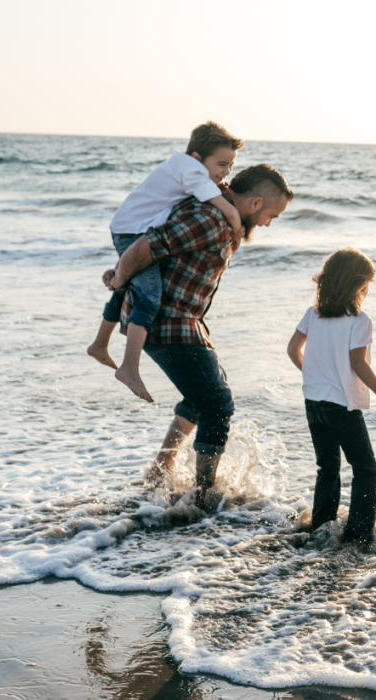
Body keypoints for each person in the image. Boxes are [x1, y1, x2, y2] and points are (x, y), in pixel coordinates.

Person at [105, 164, 293, 501]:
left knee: (201, 395)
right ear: (255, 203)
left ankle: (160, 468)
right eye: (271, 215)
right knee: (217, 404)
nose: (267, 223)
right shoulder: (210, 219)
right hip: (168, 323)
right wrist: (119, 277)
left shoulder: (221, 217)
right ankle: (204, 493)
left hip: (184, 322)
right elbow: (145, 246)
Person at [88, 121, 247, 403]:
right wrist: (236, 227)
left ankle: (100, 344)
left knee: (127, 288)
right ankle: (129, 368)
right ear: (197, 157)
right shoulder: (192, 170)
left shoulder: (185, 168)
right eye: (221, 164)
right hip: (132, 232)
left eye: (231, 166)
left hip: (129, 227)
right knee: (149, 298)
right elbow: (225, 208)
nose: (226, 173)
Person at [285, 248, 376, 544]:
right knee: (364, 467)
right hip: (341, 405)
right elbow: (358, 363)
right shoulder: (359, 321)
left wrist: (313, 375)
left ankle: (321, 525)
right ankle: (359, 532)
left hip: (313, 401)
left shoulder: (313, 314)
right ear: (358, 286)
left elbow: (292, 349)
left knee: (328, 466)